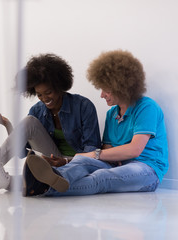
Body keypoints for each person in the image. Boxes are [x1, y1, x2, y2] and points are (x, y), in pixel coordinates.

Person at [24, 49, 169, 196]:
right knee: (82, 162)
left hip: (146, 169)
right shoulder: (112, 114)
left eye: (106, 90)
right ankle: (51, 177)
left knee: (101, 177)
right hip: (117, 164)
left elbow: (134, 150)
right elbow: (107, 148)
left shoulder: (146, 107)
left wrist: (96, 154)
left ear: (122, 86)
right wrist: (76, 160)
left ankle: (45, 187)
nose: (101, 95)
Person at [0, 53, 101, 193]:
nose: (44, 98)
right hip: (50, 162)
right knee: (29, 122)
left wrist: (67, 161)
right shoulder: (37, 110)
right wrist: (8, 125)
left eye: (48, 92)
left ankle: (5, 181)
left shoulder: (83, 106)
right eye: (39, 94)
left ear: (59, 86)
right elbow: (21, 152)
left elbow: (92, 151)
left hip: (77, 165)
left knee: (35, 181)